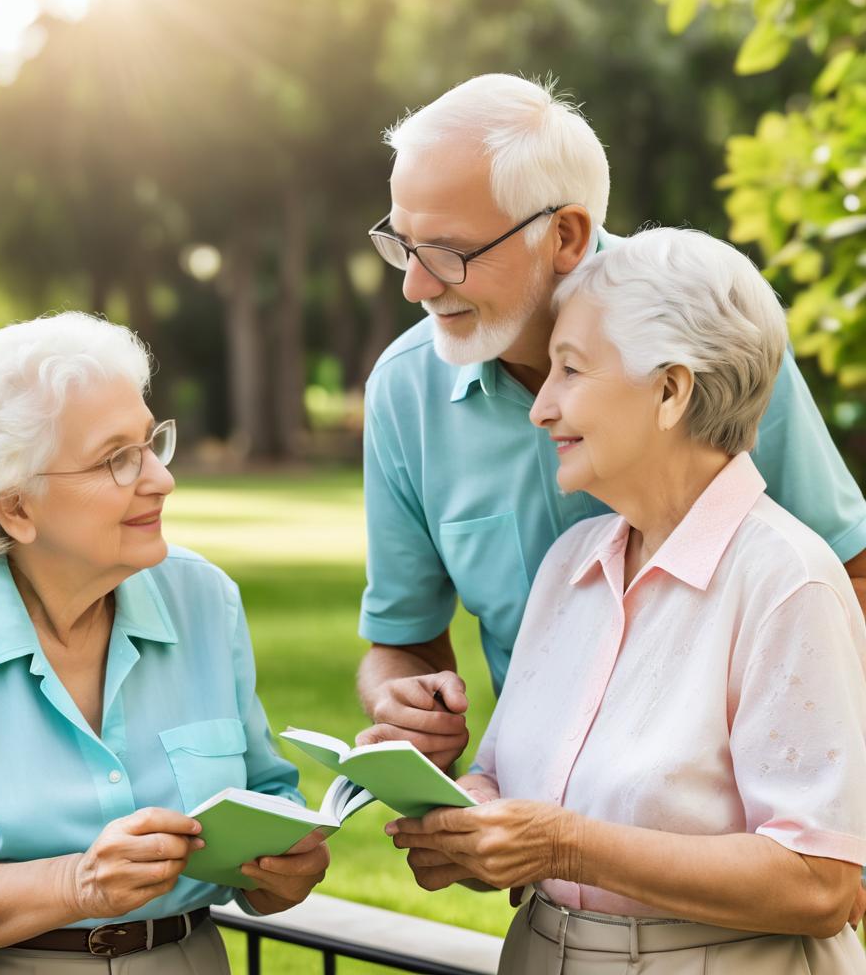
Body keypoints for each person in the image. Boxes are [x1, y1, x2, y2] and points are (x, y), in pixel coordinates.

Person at [354, 74, 866, 927]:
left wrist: (819, 820)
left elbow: (840, 584)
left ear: (566, 234)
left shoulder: (705, 333)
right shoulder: (407, 393)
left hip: (727, 891)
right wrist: (408, 712)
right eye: (400, 244)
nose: (414, 284)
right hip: (556, 900)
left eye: (447, 251)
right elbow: (400, 647)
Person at [0, 313, 329, 972]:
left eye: (153, 443)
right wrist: (79, 884)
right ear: (15, 506)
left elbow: (268, 797)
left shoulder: (204, 600)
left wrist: (285, 868)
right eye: (117, 459)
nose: (161, 478)